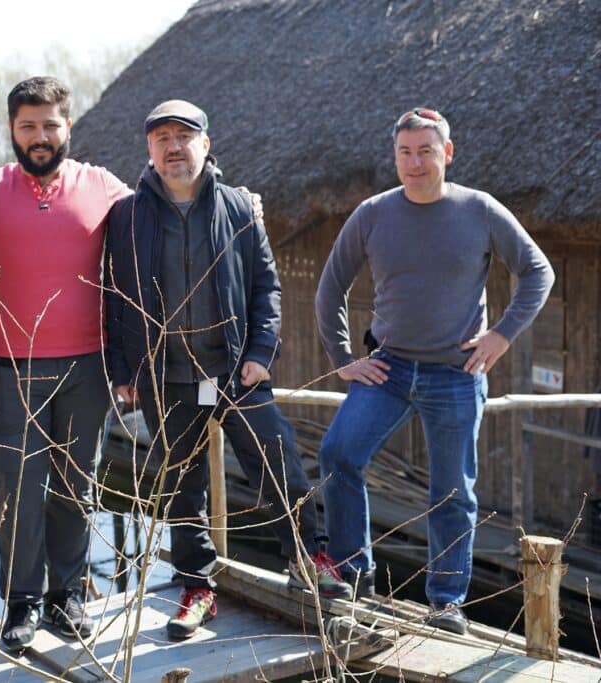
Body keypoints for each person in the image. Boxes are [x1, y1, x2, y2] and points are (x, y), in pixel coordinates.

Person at [105, 100, 353, 642]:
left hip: (235, 369)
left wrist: (262, 353)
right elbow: (115, 298)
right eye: (162, 138)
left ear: (206, 145)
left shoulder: (238, 208)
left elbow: (267, 288)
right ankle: (197, 585)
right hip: (166, 375)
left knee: (277, 460)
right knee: (181, 484)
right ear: (149, 149)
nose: (174, 147)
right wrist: (122, 368)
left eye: (184, 136)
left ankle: (306, 560)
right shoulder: (126, 215)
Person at [315, 107, 554, 635]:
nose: (415, 162)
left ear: (447, 153)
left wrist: (502, 334)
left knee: (452, 491)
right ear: (394, 157)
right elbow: (330, 288)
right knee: (337, 453)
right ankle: (354, 573)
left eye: (426, 151)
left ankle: (446, 601)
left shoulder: (481, 210)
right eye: (405, 152)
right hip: (389, 369)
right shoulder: (373, 213)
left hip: (456, 374)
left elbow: (538, 270)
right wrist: (343, 360)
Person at [0, 76, 131, 651]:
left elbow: (168, 212)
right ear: (12, 129)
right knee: (17, 490)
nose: (40, 137)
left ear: (68, 126)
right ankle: (20, 602)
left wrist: (240, 201)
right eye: (27, 126)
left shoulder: (104, 187)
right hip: (12, 370)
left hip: (87, 368)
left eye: (50, 126)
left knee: (75, 488)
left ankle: (68, 596)